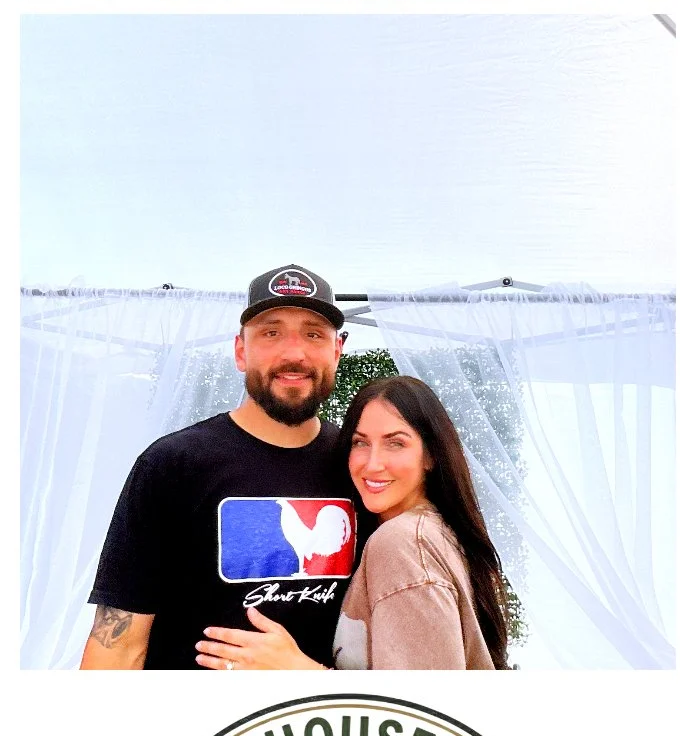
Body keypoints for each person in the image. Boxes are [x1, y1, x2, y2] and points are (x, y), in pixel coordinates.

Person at [80, 265, 358, 670]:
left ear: (337, 351)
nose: (294, 353)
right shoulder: (172, 464)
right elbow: (117, 643)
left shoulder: (362, 467)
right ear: (241, 351)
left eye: (314, 333)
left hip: (315, 727)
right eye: (271, 332)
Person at [196, 376, 508, 672]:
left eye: (395, 443)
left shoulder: (401, 542)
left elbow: (422, 712)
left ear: (430, 456)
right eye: (360, 443)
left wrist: (299, 670)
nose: (372, 464)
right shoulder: (436, 529)